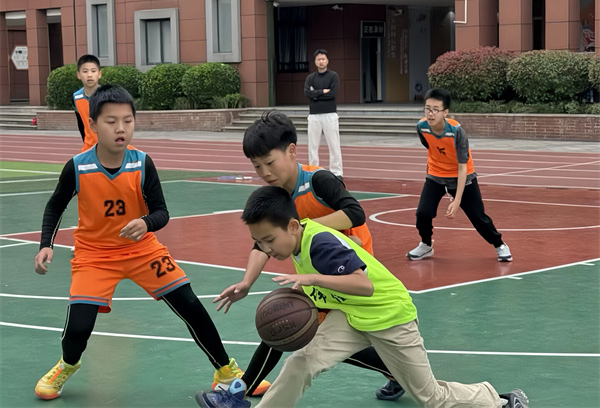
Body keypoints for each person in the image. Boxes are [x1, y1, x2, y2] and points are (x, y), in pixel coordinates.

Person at [33, 85, 266, 400]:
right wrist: (46, 243)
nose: (121, 128)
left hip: (142, 250)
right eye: (111, 121)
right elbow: (55, 206)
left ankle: (225, 371)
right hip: (95, 255)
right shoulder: (78, 166)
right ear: (93, 125)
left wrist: (145, 222)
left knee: (190, 305)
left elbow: (161, 212)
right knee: (78, 329)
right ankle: (67, 364)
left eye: (127, 121)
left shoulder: (142, 163)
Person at [221, 185, 529, 408]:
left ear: (292, 226)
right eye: (259, 242)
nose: (266, 248)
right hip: (353, 316)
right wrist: (300, 288)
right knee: (301, 362)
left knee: (431, 398)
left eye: (269, 240)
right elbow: (338, 271)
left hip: (390, 317)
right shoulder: (297, 240)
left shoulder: (319, 243)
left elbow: (363, 285)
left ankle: (499, 400)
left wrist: (310, 279)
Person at [195, 112, 404, 408]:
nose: (264, 171)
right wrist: (246, 283)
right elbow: (261, 243)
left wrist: (306, 228)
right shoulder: (275, 196)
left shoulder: (318, 180)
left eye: (270, 162)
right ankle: (396, 371)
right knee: (287, 325)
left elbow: (355, 213)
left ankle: (235, 396)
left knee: (288, 325)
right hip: (316, 273)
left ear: (292, 151)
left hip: (350, 270)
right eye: (257, 166)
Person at [407, 88, 512, 262]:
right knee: (423, 213)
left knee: (478, 217)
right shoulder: (422, 127)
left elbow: (462, 168)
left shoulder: (456, 131)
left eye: (435, 110)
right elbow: (431, 149)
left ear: (445, 112)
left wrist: (456, 200)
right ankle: (426, 244)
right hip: (436, 174)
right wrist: (429, 176)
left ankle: (499, 244)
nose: (430, 114)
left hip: (462, 175)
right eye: (427, 109)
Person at [304, 49, 343, 178]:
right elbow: (307, 93)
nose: (321, 61)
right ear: (315, 62)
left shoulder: (333, 76)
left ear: (327, 61)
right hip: (314, 115)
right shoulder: (310, 78)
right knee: (312, 145)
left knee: (334, 144)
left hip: (330, 114)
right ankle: (313, 170)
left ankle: (337, 172)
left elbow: (332, 94)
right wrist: (322, 92)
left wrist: (315, 94)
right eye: (318, 59)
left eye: (323, 59)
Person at [73, 54, 102, 152]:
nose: (89, 75)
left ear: (99, 74)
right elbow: (81, 124)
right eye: (85, 71)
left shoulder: (107, 96)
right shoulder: (76, 97)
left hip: (107, 147)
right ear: (78, 75)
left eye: (93, 71)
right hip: (88, 148)